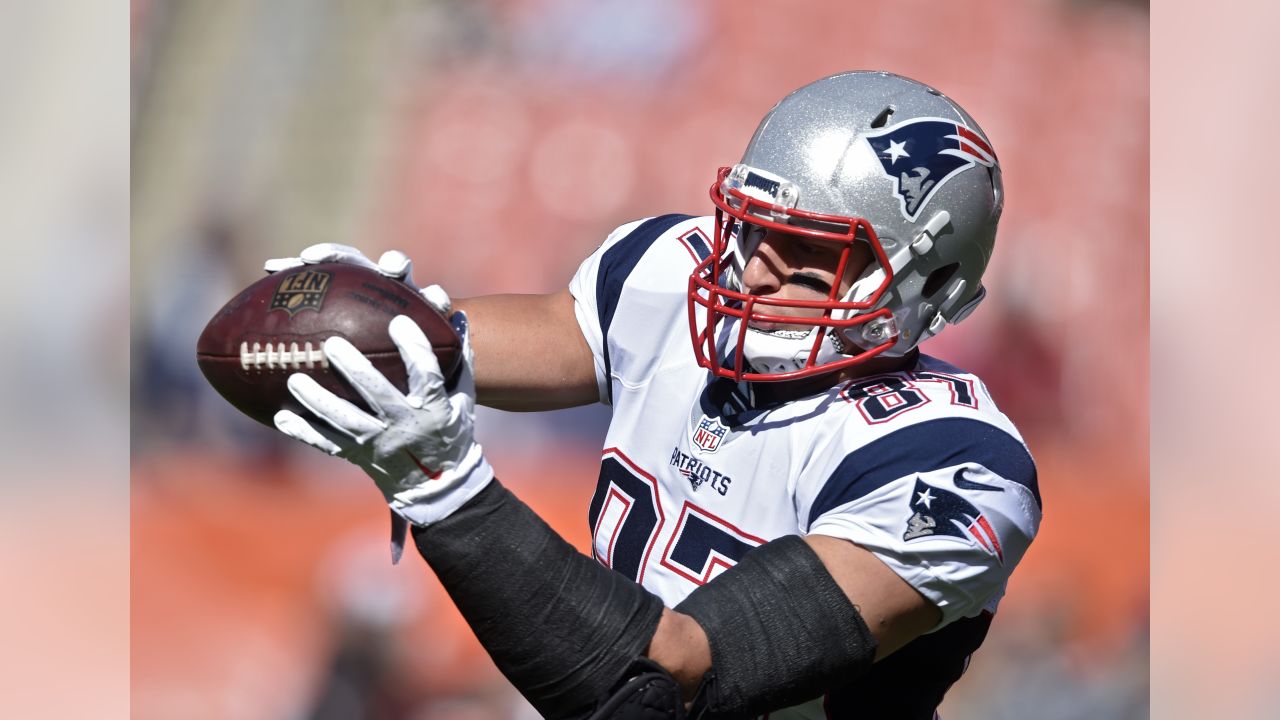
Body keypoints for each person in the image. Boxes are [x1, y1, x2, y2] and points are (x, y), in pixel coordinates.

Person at [266, 71, 1041, 719]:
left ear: (929, 288)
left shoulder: (952, 467)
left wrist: (443, 488)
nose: (756, 272)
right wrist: (389, 333)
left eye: (810, 255)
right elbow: (554, 333)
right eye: (754, 230)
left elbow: (665, 677)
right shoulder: (674, 273)